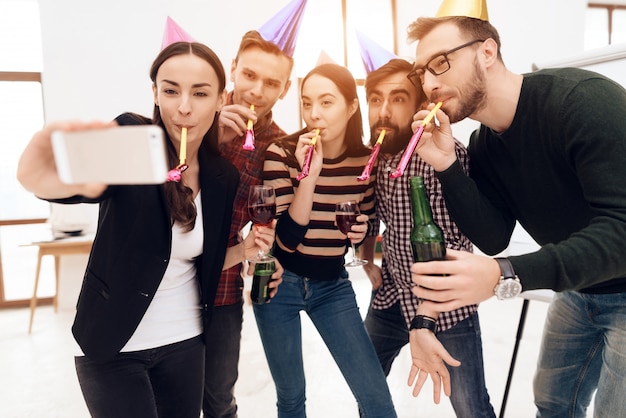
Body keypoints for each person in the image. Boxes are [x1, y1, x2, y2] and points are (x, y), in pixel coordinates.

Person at [16, 41, 274, 417]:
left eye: (200, 93)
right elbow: (60, 183)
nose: (184, 107)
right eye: (170, 91)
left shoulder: (223, 176)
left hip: (186, 343)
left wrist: (245, 251)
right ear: (155, 93)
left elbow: (199, 263)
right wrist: (40, 170)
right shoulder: (133, 138)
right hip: (111, 344)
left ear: (221, 99)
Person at [404, 9, 626, 418]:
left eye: (440, 63)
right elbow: (492, 237)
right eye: (421, 73)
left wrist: (506, 274)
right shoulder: (484, 144)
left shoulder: (580, 102)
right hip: (579, 289)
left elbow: (621, 233)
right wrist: (448, 166)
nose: (430, 83)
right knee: (553, 403)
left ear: (487, 51)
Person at [253, 63, 397, 418]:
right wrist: (309, 176)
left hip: (332, 285)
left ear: (350, 107)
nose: (314, 114)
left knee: (375, 396)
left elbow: (366, 219)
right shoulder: (281, 154)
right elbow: (286, 240)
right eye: (306, 103)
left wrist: (364, 247)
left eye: (326, 103)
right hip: (277, 284)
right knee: (291, 396)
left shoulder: (366, 162)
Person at [359, 57, 495, 416]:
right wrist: (365, 257)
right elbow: (369, 213)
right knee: (365, 386)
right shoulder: (377, 158)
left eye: (397, 98)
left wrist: (427, 313)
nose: (383, 111)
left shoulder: (442, 158)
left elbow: (455, 244)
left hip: (445, 305)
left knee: (470, 406)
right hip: (391, 294)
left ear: (420, 105)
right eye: (375, 99)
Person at [203, 29, 293, 418]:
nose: (257, 90)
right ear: (234, 69)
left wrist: (274, 261)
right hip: (160, 284)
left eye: (271, 82)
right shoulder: (192, 114)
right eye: (250, 75)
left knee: (219, 400)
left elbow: (273, 228)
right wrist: (209, 134)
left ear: (285, 89)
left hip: (222, 289)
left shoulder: (279, 147)